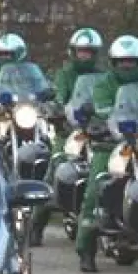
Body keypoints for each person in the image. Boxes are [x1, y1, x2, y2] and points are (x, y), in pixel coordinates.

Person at [74, 34, 138, 273]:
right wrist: (104, 120)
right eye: (122, 61)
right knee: (96, 186)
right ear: (113, 62)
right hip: (113, 142)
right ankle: (86, 247)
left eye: (132, 61)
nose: (127, 65)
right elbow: (102, 107)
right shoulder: (104, 84)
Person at [30, 27, 105, 245]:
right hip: (70, 129)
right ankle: (37, 224)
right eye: (81, 51)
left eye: (89, 52)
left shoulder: (103, 76)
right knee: (55, 167)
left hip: (97, 129)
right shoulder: (65, 74)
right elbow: (60, 96)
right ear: (73, 52)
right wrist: (59, 109)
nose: (84, 56)